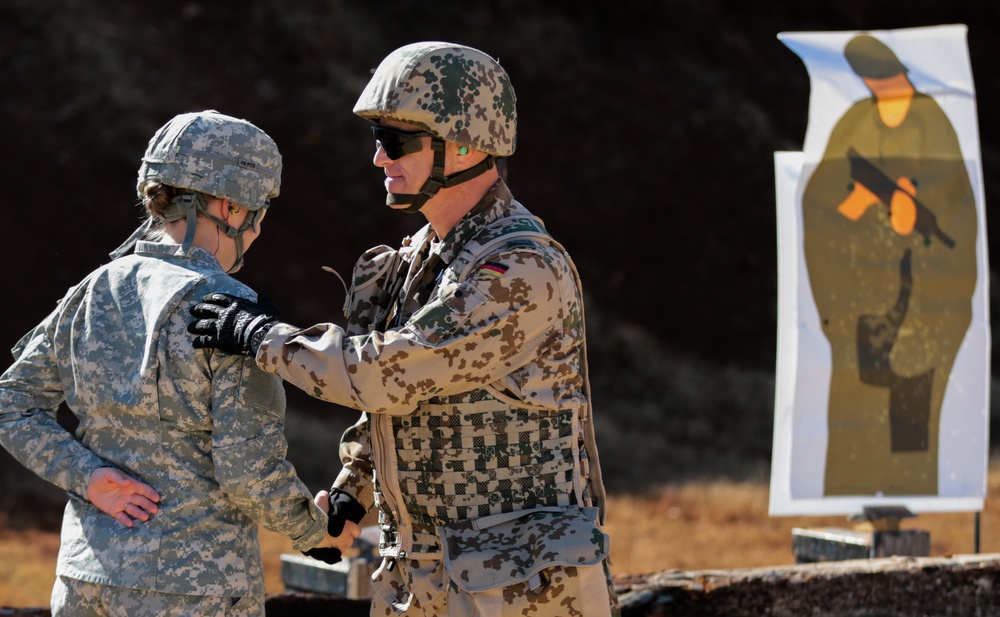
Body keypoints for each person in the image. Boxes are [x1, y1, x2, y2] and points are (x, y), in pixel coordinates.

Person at [188, 43, 619, 616]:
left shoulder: (521, 268)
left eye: (395, 142)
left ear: (464, 145)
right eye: (378, 140)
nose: (378, 159)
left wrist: (262, 337)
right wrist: (352, 492)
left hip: (520, 591)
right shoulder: (421, 258)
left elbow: (390, 372)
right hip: (424, 581)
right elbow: (400, 410)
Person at [0, 110, 351, 617]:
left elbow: (12, 402)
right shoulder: (232, 309)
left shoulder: (94, 288)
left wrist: (88, 477)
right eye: (261, 211)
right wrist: (315, 530)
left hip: (85, 580)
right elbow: (246, 470)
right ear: (233, 207)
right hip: (197, 590)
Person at [801, 34, 977, 496]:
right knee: (857, 411)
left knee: (910, 410)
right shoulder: (856, 121)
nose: (886, 88)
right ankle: (857, 499)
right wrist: (857, 204)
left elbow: (955, 198)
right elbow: (820, 197)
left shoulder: (931, 120)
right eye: (878, 81)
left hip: (920, 297)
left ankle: (907, 499)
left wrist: (914, 204)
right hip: (862, 297)